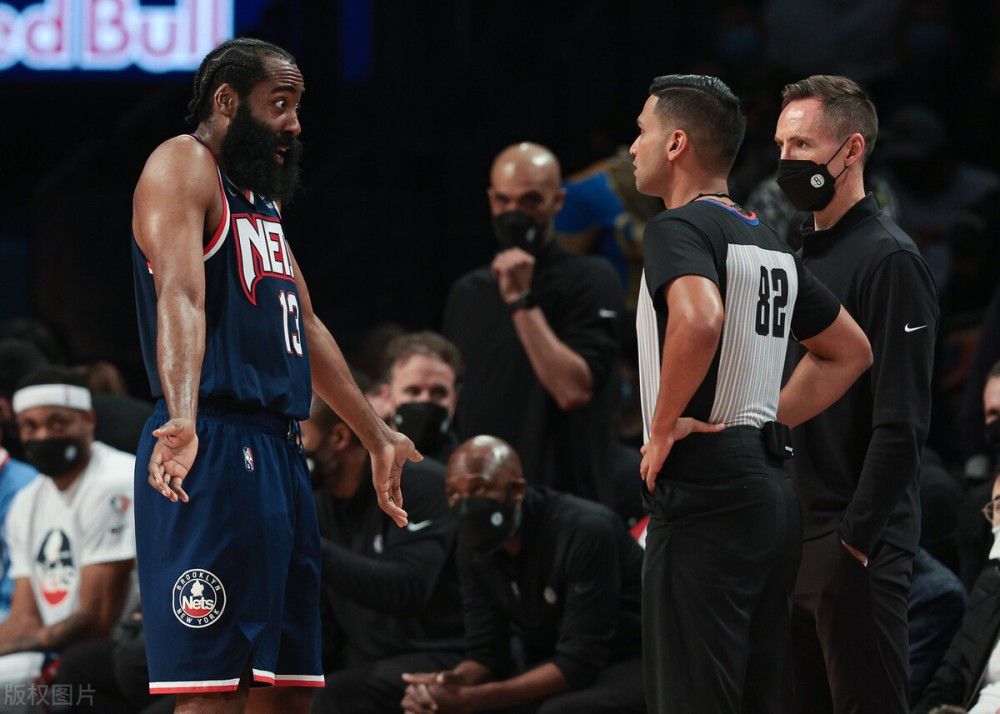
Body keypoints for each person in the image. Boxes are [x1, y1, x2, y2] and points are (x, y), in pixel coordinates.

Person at [129, 37, 420, 713]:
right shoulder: (182, 165)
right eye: (279, 103)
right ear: (227, 101)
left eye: (297, 106)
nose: (294, 122)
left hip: (280, 454)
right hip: (209, 440)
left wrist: (375, 434)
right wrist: (182, 414)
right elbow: (180, 294)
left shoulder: (259, 197)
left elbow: (308, 325)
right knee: (211, 690)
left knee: (287, 689)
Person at [632, 74, 872, 713]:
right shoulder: (770, 243)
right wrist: (765, 420)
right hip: (770, 492)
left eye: (643, 131)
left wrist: (661, 426)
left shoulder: (677, 228)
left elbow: (700, 318)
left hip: (705, 490)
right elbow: (850, 350)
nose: (633, 147)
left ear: (676, 142)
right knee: (761, 697)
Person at [774, 74, 939, 714]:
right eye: (782, 146)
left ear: (852, 150)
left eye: (804, 145)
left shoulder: (890, 258)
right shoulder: (798, 256)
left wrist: (855, 543)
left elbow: (902, 425)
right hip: (796, 531)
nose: (788, 160)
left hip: (853, 538)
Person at [401, 436, 645, 713]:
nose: (465, 504)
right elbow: (486, 653)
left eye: (479, 488)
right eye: (454, 494)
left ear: (517, 490)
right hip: (560, 660)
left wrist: (471, 699)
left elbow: (580, 663)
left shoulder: (585, 530)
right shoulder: (474, 545)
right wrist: (447, 682)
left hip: (635, 658)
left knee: (556, 711)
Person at [442, 142, 625, 507]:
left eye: (530, 202)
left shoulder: (592, 280)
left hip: (567, 501)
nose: (514, 213)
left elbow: (573, 390)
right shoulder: (468, 293)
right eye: (504, 201)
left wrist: (521, 301)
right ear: (490, 200)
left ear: (557, 202)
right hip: (484, 500)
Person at [302, 389, 464, 713]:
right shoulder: (317, 500)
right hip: (365, 658)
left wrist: (304, 543)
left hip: (440, 652)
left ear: (338, 437)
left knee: (336, 697)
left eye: (300, 438)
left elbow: (407, 590)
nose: (292, 451)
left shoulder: (419, 483)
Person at [0, 368, 136, 687]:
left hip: (111, 651)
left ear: (89, 419)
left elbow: (95, 621)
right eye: (30, 427)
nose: (43, 436)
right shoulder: (26, 501)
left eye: (57, 422)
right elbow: (24, 618)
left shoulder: (114, 483)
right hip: (54, 649)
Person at [914, 469, 1000, 714]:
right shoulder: (990, 586)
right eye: (995, 509)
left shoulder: (941, 592)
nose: (997, 520)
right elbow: (949, 680)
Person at [382, 331, 463, 464]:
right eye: (413, 391)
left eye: (438, 392)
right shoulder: (362, 466)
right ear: (387, 396)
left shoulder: (468, 473)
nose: (425, 400)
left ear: (454, 399)